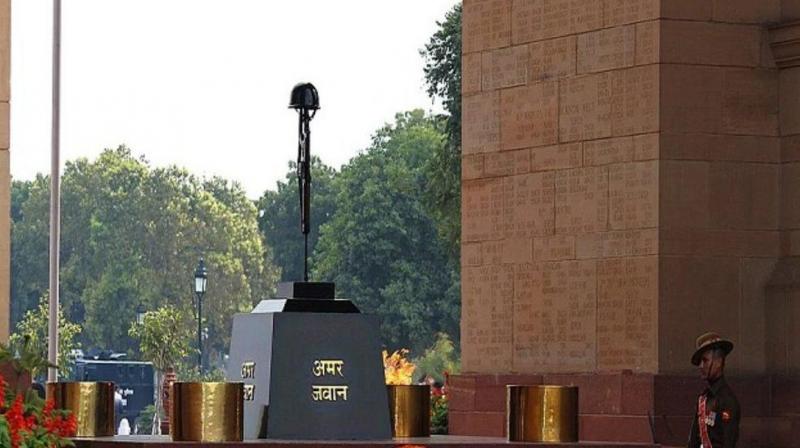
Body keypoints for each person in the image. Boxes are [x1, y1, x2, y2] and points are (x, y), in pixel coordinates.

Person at [688, 332, 740, 448]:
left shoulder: (727, 400)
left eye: (705, 360)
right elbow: (693, 441)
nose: (701, 366)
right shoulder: (703, 398)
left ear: (718, 362)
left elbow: (728, 442)